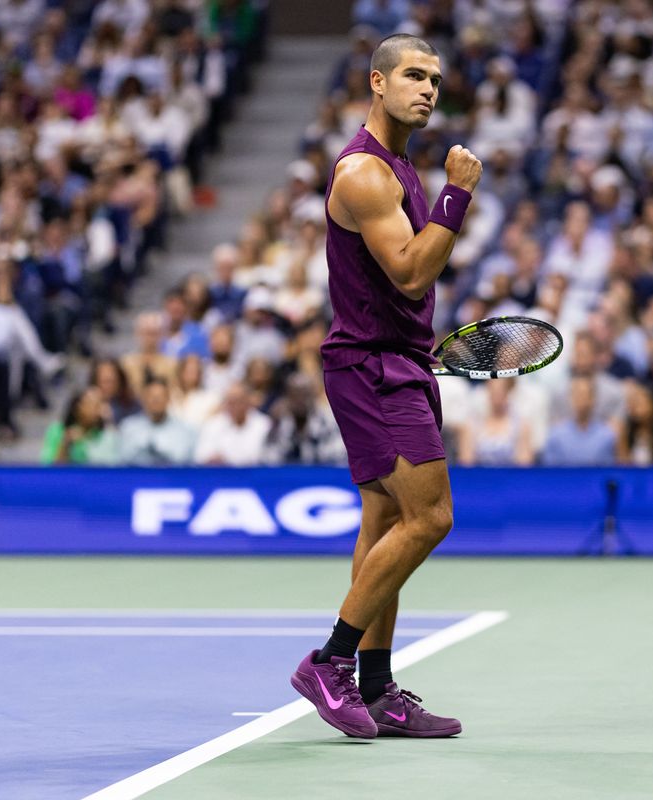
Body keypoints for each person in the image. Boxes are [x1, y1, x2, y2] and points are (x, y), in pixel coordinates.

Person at [290, 33, 480, 740]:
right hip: (374, 368)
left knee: (384, 522)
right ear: (377, 82)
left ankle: (376, 690)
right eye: (413, 75)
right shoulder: (366, 173)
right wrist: (458, 194)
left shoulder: (400, 166)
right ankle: (329, 663)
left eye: (435, 79)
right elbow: (410, 271)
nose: (427, 89)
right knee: (430, 518)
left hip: (398, 359)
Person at [117, 378, 196, 465]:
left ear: (168, 399)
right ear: (143, 399)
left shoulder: (184, 430)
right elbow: (122, 460)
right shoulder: (128, 427)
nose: (156, 400)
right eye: (151, 396)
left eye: (160, 396)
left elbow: (184, 462)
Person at [542, 376, 618, 466]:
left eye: (584, 395)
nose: (581, 399)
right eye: (576, 394)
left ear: (593, 399)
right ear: (570, 398)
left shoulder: (607, 435)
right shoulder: (556, 435)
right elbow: (549, 470)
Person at [193, 382, 269, 466]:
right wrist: (213, 458)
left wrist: (227, 458)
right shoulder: (214, 424)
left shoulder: (263, 424)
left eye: (238, 401)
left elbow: (261, 456)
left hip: (254, 473)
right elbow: (200, 456)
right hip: (222, 473)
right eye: (229, 402)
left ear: (247, 401)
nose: (233, 406)